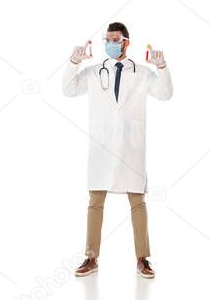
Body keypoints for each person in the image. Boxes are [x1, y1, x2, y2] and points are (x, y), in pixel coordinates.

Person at [63, 22, 172, 279]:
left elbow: (165, 93)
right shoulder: (92, 72)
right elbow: (67, 90)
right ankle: (91, 257)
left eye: (115, 40)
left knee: (137, 202)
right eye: (107, 40)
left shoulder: (142, 74)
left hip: (130, 146)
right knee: (95, 202)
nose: (110, 44)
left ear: (126, 42)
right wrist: (73, 62)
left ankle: (142, 259)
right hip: (101, 147)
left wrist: (163, 67)